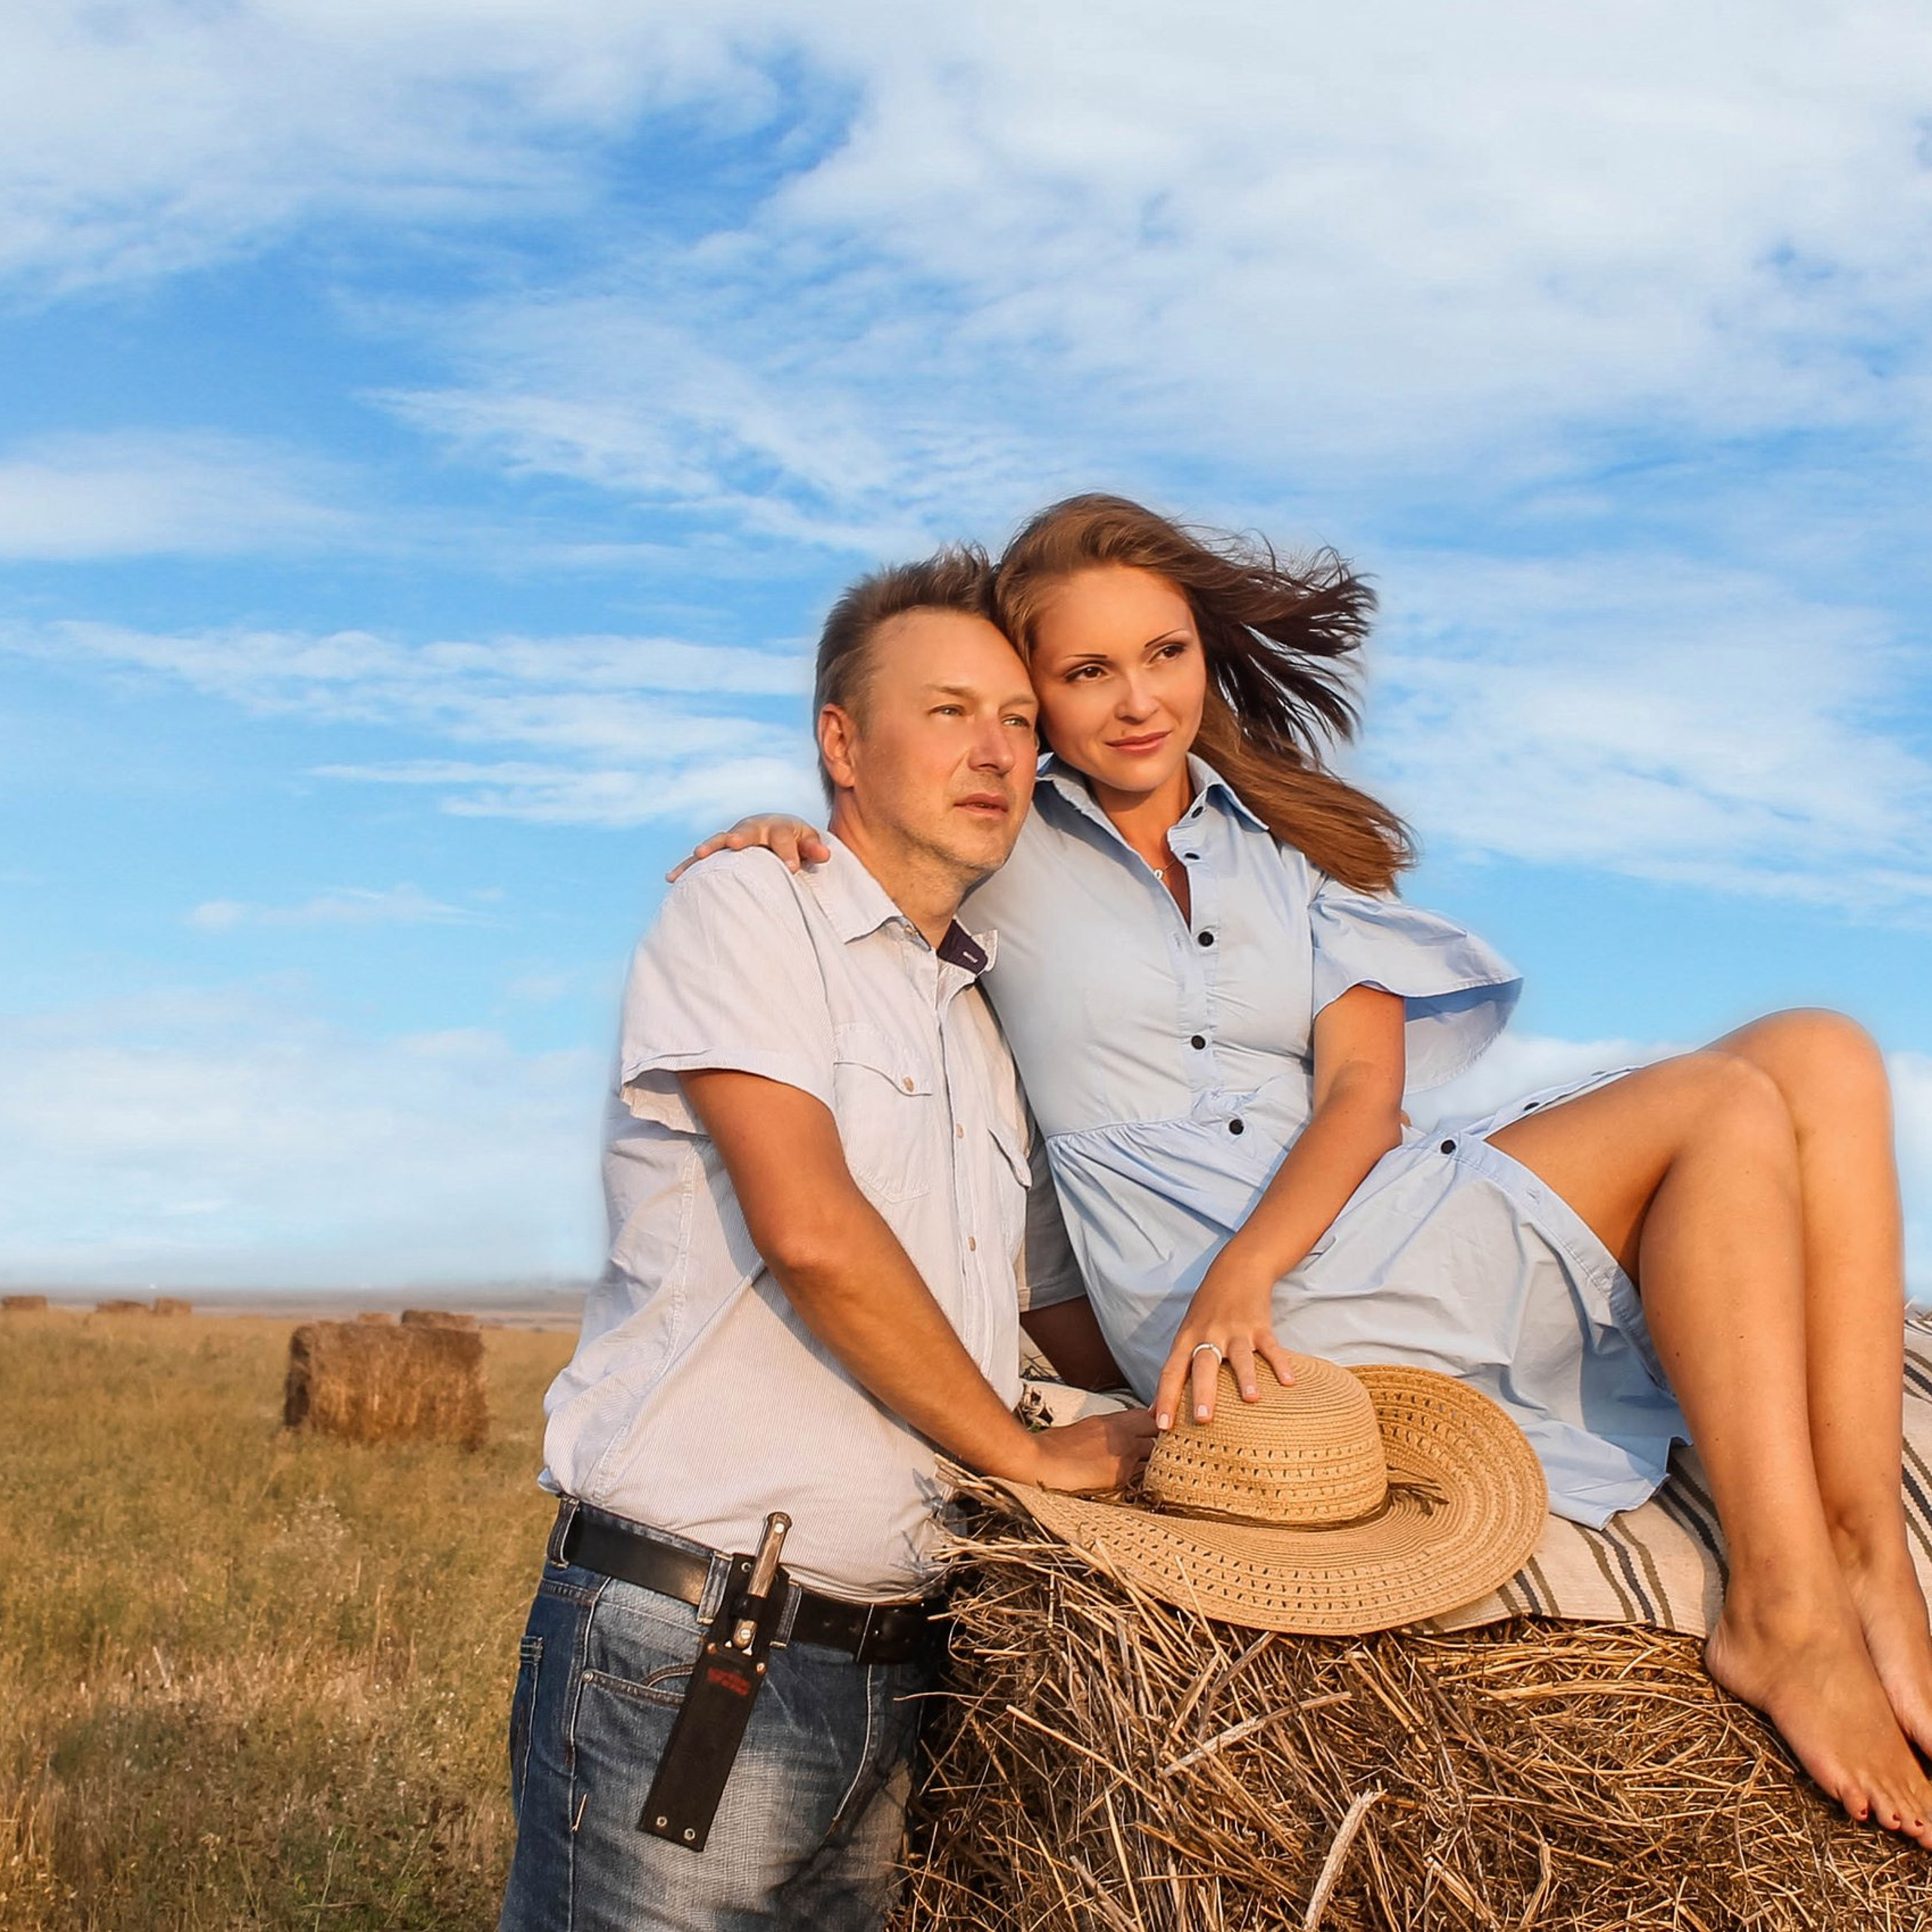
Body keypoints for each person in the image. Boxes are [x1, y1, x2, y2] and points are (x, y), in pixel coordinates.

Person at [682, 494, 1932, 1844]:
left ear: (1205, 650)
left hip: (1343, 1224)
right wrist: (785, 825)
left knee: (1822, 1051)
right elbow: (888, 843)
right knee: (1722, 1109)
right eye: (1084, 672)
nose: (1136, 700)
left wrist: (1256, 1266)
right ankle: (1786, 1613)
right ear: (1030, 694)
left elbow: (1360, 1096)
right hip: (1223, 1306)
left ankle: (1871, 1550)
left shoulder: (1287, 855)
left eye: (1162, 653)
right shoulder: (1006, 840)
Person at [498, 546, 1155, 1932]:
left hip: (895, 1668)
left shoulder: (977, 1025)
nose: (998, 752)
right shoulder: (748, 910)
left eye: (1020, 721)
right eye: (949, 711)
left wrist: (1222, 1396)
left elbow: (1046, 1304)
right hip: (697, 1647)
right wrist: (1028, 1455)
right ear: (840, 744)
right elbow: (811, 1227)